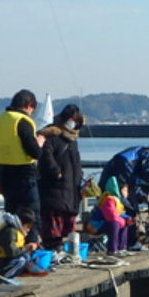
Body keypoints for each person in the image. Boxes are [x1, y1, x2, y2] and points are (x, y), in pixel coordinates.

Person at [0, 89, 44, 229]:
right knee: (31, 214)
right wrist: (40, 142)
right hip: (23, 173)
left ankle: (11, 242)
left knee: (11, 214)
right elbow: (34, 152)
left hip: (2, 173)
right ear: (28, 105)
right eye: (33, 109)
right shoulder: (22, 121)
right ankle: (32, 244)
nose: (32, 113)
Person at [37, 104, 84, 250]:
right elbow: (46, 156)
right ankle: (53, 248)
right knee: (53, 223)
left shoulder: (72, 139)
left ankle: (66, 250)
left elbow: (76, 162)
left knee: (68, 224)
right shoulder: (52, 135)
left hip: (71, 188)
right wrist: (56, 171)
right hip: (55, 188)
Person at [98, 143, 149, 210]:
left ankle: (100, 213)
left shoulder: (141, 152)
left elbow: (135, 183)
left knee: (103, 190)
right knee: (126, 193)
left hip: (114, 162)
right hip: (125, 164)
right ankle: (129, 215)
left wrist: (144, 198)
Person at [0, 208, 40, 277]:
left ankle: (9, 274)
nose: (28, 230)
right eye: (28, 227)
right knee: (22, 259)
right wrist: (26, 248)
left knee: (28, 257)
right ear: (22, 223)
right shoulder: (10, 231)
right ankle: (3, 277)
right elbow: (11, 252)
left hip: (2, 257)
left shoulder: (15, 228)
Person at [92, 178, 141, 255]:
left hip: (106, 222)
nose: (127, 193)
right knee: (115, 224)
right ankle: (112, 249)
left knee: (124, 223)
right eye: (125, 190)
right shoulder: (109, 199)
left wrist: (128, 219)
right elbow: (111, 216)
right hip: (96, 225)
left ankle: (121, 248)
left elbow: (118, 214)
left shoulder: (117, 200)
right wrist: (123, 221)